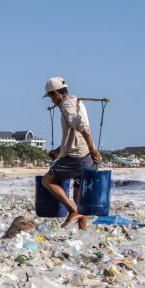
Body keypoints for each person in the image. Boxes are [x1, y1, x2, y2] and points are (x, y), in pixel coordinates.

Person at [40, 77, 102, 229]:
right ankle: (83, 232)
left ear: (56, 94)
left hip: (78, 157)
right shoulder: (76, 101)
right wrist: (58, 150)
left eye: (50, 97)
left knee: (47, 181)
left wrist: (92, 149)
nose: (51, 101)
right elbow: (75, 135)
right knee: (79, 197)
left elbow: (82, 127)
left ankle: (72, 210)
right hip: (88, 158)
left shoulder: (67, 105)